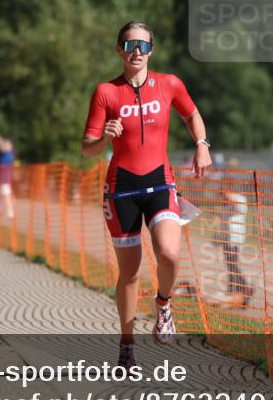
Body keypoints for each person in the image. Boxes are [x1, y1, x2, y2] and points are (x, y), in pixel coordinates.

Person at [81, 21, 211, 369]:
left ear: (152, 50)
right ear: (119, 49)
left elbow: (192, 114)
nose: (136, 51)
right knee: (130, 272)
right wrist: (104, 137)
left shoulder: (169, 84)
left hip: (160, 183)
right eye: (129, 45)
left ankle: (163, 304)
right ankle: (127, 345)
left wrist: (201, 144)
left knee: (169, 253)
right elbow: (87, 147)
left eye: (143, 45)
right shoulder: (106, 92)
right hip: (121, 189)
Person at [212, 188, 251, 307]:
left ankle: (244, 288)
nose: (223, 197)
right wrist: (219, 237)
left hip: (235, 240)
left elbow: (240, 207)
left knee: (233, 265)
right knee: (230, 265)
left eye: (224, 194)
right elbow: (223, 224)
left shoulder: (240, 200)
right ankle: (234, 289)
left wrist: (229, 196)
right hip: (226, 240)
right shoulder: (225, 206)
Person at [0, 135, 15, 219]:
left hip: (5, 179)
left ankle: (10, 212)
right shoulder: (4, 155)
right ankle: (4, 210)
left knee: (6, 194)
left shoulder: (8, 156)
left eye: (6, 145)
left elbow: (1, 165)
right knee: (3, 195)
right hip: (2, 179)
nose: (4, 146)